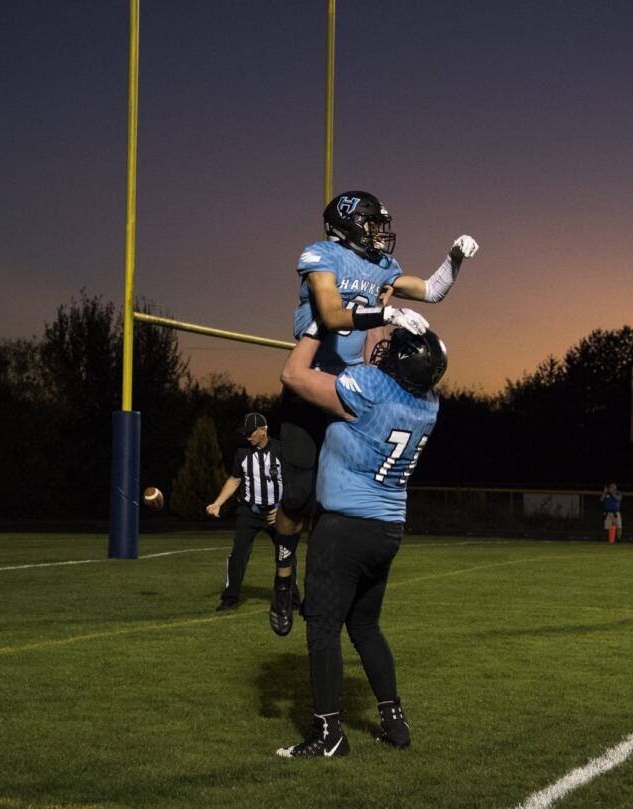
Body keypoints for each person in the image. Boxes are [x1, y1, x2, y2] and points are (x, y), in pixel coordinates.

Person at [271, 190, 477, 637]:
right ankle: (283, 579)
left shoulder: (384, 267)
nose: (379, 233)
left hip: (352, 390)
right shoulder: (321, 256)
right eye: (371, 223)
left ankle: (324, 588)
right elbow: (328, 313)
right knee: (296, 496)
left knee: (335, 499)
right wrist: (384, 312)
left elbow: (433, 290)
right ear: (345, 225)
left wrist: (454, 258)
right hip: (312, 384)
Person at [274, 323, 446, 758]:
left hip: (346, 528)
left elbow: (293, 375)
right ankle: (394, 721)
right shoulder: (429, 403)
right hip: (387, 530)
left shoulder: (369, 387)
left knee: (323, 628)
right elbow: (380, 360)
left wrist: (318, 326)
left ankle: (328, 734)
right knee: (365, 625)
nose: (381, 344)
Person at [205, 413, 298, 614]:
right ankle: (230, 598)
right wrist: (218, 503)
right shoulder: (242, 453)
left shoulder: (282, 450)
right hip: (249, 511)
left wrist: (283, 508)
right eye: (245, 433)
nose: (247, 437)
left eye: (250, 433)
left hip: (276, 512)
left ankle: (292, 598)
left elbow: (294, 482)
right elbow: (235, 480)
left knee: (286, 553)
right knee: (238, 554)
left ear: (263, 430)